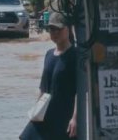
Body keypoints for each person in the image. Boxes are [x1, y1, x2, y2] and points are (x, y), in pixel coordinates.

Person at [20, 12, 77, 140]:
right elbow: (43, 88)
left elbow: (79, 91)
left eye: (58, 29)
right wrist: (36, 111)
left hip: (63, 117)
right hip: (44, 115)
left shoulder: (74, 55)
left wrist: (75, 118)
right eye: (51, 29)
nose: (54, 33)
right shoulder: (49, 54)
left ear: (68, 29)